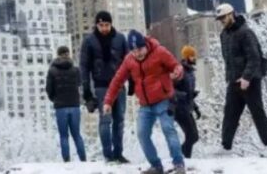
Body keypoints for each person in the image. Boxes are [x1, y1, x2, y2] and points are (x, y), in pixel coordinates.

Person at [104, 31, 186, 174]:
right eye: (134, 51)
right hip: (145, 105)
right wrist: (108, 101)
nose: (138, 54)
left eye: (140, 49)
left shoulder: (160, 52)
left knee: (168, 129)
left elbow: (176, 66)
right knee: (142, 133)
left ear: (145, 45)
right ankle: (156, 165)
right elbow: (117, 81)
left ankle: (178, 163)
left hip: (163, 99)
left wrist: (177, 72)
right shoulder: (129, 60)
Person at [217, 3, 267, 151]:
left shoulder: (246, 32)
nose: (221, 20)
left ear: (231, 14)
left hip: (251, 81)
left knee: (257, 113)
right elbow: (227, 59)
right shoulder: (223, 35)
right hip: (233, 81)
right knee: (229, 114)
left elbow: (254, 57)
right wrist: (230, 78)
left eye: (223, 17)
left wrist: (246, 78)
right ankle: (225, 147)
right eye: (220, 18)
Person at [80, 10, 130, 164]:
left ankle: (118, 153)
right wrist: (87, 91)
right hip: (101, 86)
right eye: (101, 25)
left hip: (119, 85)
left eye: (107, 25)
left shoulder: (120, 39)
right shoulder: (89, 41)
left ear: (111, 24)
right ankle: (108, 155)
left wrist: (133, 82)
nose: (104, 28)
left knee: (120, 120)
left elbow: (129, 62)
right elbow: (84, 66)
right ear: (97, 25)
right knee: (105, 120)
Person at [46, 45, 86, 163]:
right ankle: (83, 159)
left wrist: (54, 99)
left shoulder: (52, 70)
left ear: (58, 55)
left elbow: (49, 89)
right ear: (69, 54)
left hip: (60, 107)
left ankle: (66, 160)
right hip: (74, 105)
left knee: (64, 136)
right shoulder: (75, 70)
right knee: (77, 135)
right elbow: (79, 84)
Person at [173, 45, 200, 158]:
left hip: (187, 107)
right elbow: (171, 89)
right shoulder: (180, 70)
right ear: (187, 57)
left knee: (194, 136)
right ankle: (181, 156)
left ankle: (183, 157)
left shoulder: (190, 72)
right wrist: (182, 95)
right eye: (193, 56)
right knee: (191, 135)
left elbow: (189, 93)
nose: (195, 58)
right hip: (178, 108)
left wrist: (196, 108)